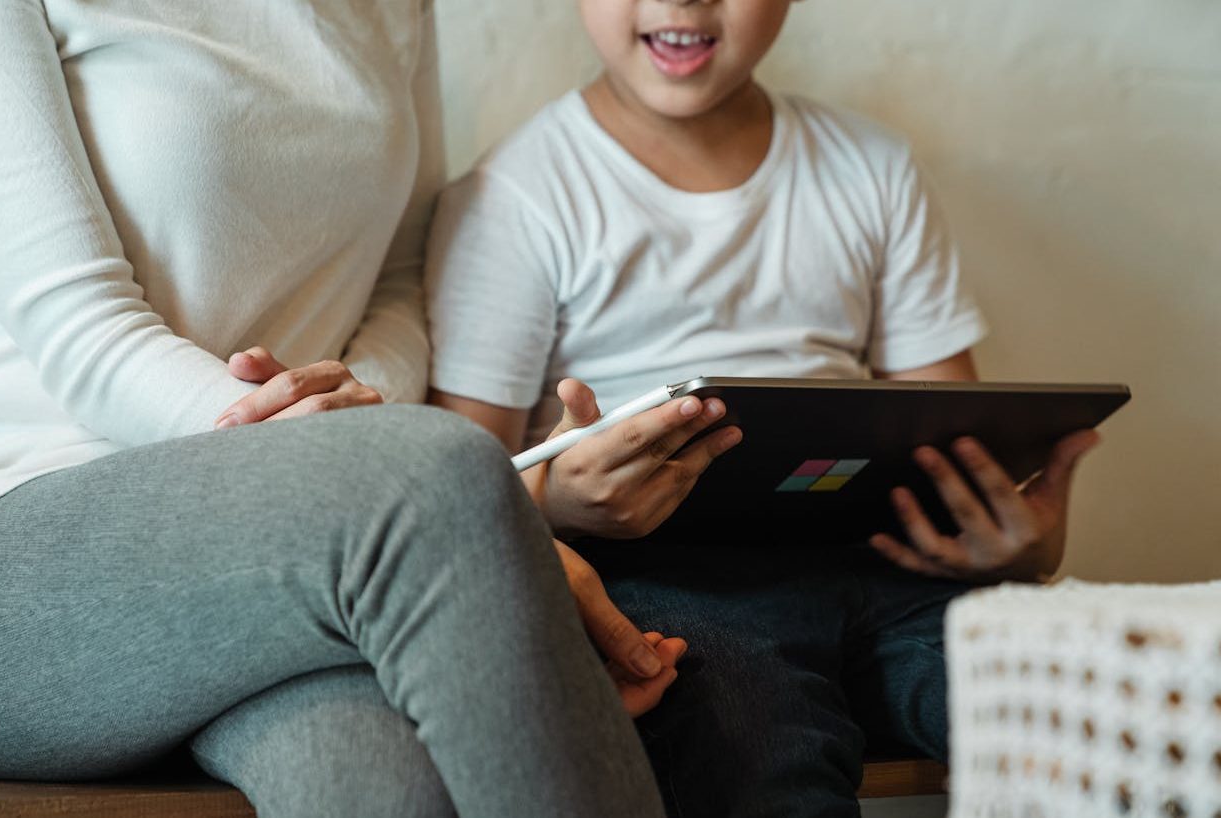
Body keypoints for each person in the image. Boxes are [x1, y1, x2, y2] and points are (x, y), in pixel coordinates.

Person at [0, 2, 676, 817]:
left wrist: (362, 461)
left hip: (292, 560)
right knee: (436, 471)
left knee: (393, 789)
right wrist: (433, 512)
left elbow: (400, 273)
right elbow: (79, 325)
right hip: (2, 550)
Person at [424, 0, 1101, 815]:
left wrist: (1019, 542)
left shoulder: (871, 167)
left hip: (884, 566)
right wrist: (558, 506)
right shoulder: (517, 193)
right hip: (660, 582)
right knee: (757, 755)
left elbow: (952, 434)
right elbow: (452, 490)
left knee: (1082, 713)